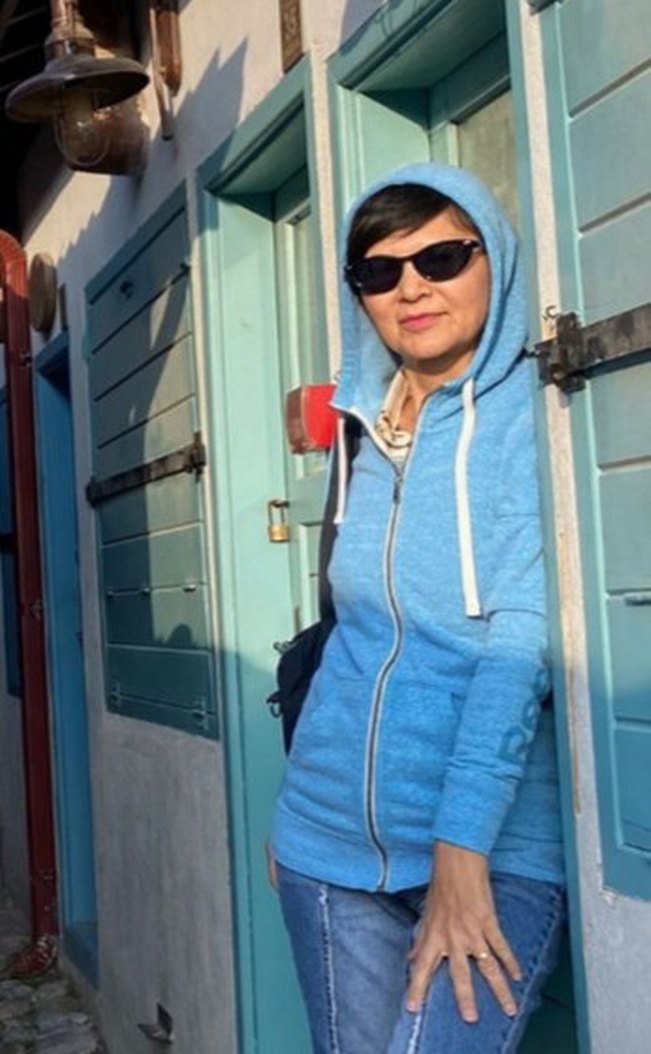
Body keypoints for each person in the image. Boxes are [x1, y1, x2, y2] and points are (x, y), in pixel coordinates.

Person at [269, 163, 565, 1053]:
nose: (411, 288)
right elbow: (353, 631)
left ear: (493, 259)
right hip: (325, 845)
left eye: (440, 258)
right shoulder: (361, 428)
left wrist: (460, 854)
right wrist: (296, 811)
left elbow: (520, 647)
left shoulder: (537, 418)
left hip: (495, 851)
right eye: (378, 271)